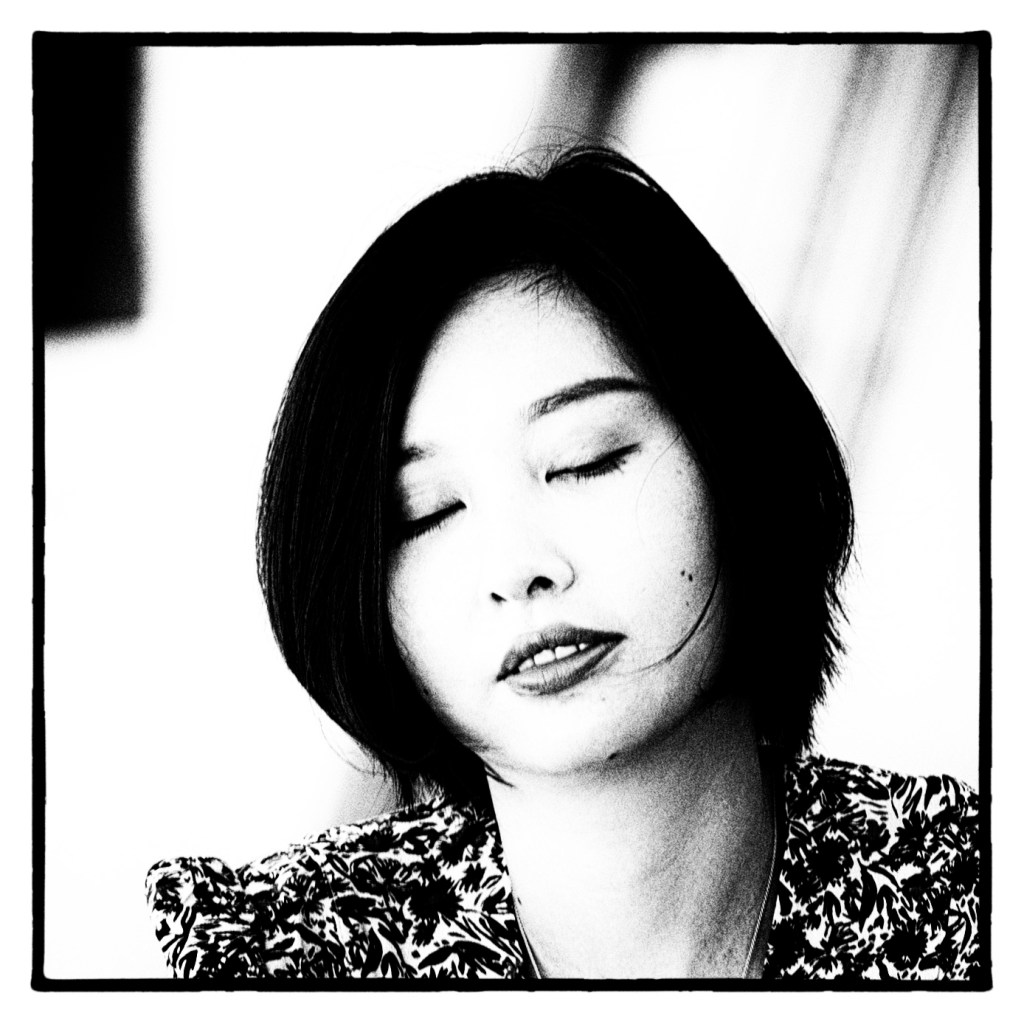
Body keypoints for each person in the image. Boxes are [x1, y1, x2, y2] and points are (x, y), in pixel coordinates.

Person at [146, 147, 980, 981]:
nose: (516, 569)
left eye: (584, 460)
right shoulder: (292, 964)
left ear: (740, 455)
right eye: (427, 513)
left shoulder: (971, 903)